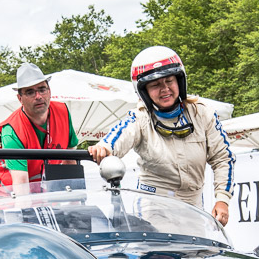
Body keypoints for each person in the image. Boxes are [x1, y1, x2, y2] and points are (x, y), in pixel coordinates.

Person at [89, 46, 234, 225]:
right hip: (154, 206)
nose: (165, 89)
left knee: (198, 252)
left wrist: (222, 200)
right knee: (162, 252)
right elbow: (117, 136)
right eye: (155, 84)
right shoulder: (140, 117)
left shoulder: (203, 113)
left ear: (180, 82)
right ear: (144, 91)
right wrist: (103, 148)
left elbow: (223, 158)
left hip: (194, 206)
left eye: (169, 81)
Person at [0, 63, 80, 194]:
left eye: (42, 89)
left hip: (43, 192)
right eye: (30, 92)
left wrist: (74, 203)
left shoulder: (62, 111)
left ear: (49, 91)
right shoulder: (11, 130)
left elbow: (69, 161)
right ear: (20, 98)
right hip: (10, 196)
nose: (38, 96)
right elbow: (20, 185)